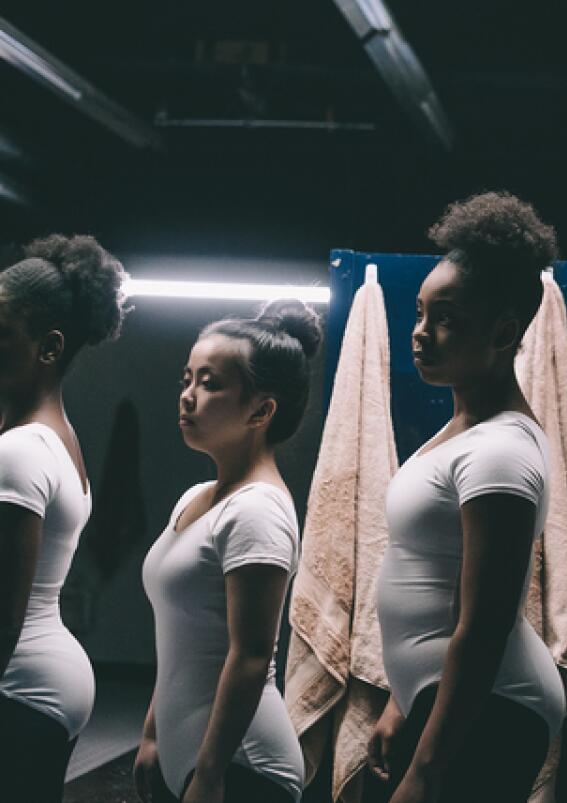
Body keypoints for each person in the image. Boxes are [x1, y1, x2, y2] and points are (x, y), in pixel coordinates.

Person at [366, 192, 566, 803]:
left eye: (446, 318)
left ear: (504, 332)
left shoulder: (500, 451)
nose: (422, 334)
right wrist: (403, 700)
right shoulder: (463, 433)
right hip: (453, 704)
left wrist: (427, 770)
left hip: (492, 711)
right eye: (421, 313)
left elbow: (482, 626)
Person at [136, 300, 319, 803]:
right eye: (187, 379)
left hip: (244, 768)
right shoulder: (197, 498)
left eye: (210, 383)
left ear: (261, 410)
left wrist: (211, 773)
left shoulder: (257, 511)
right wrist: (153, 732)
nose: (188, 397)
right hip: (194, 759)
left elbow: (251, 654)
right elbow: (181, 640)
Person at [0, 234, 128, 802]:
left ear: (49, 348)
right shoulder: (59, 438)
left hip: (19, 682)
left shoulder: (21, 451)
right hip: (49, 678)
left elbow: (1, 621)